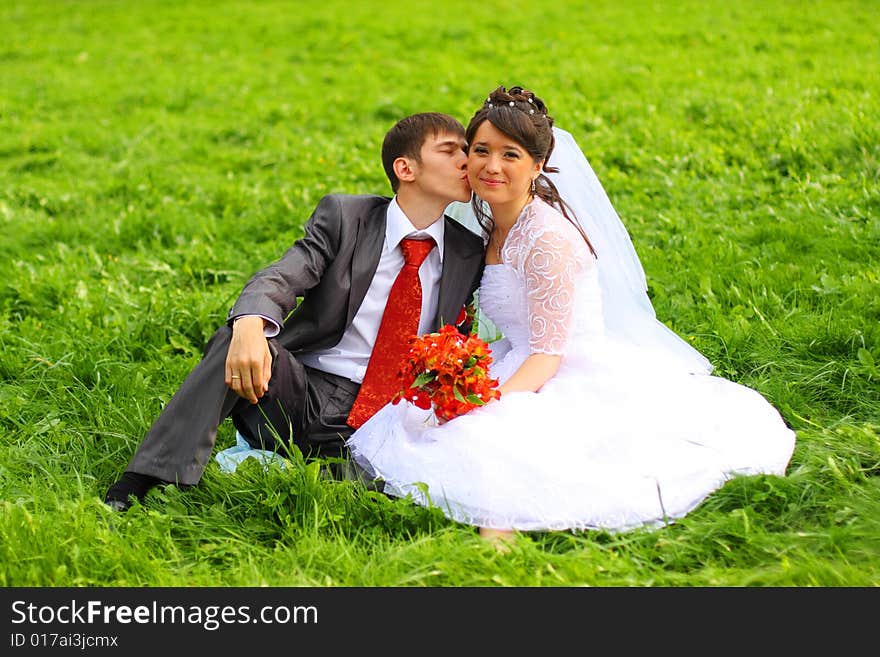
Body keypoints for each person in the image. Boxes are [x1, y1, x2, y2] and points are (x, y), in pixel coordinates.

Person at [345, 86, 797, 541]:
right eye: (480, 151)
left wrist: (479, 401)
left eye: (511, 155)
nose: (491, 166)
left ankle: (497, 536)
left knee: (490, 433)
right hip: (520, 355)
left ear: (538, 165)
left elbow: (549, 353)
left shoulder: (546, 239)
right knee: (423, 421)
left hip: (563, 366)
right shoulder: (491, 221)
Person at [103, 112, 485, 511]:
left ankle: (333, 471)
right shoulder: (347, 218)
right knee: (235, 337)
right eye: (450, 150)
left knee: (387, 487)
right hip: (302, 393)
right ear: (405, 168)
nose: (466, 160)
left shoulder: (467, 251)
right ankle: (147, 476)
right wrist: (251, 321)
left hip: (386, 416)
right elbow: (283, 276)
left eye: (466, 150)